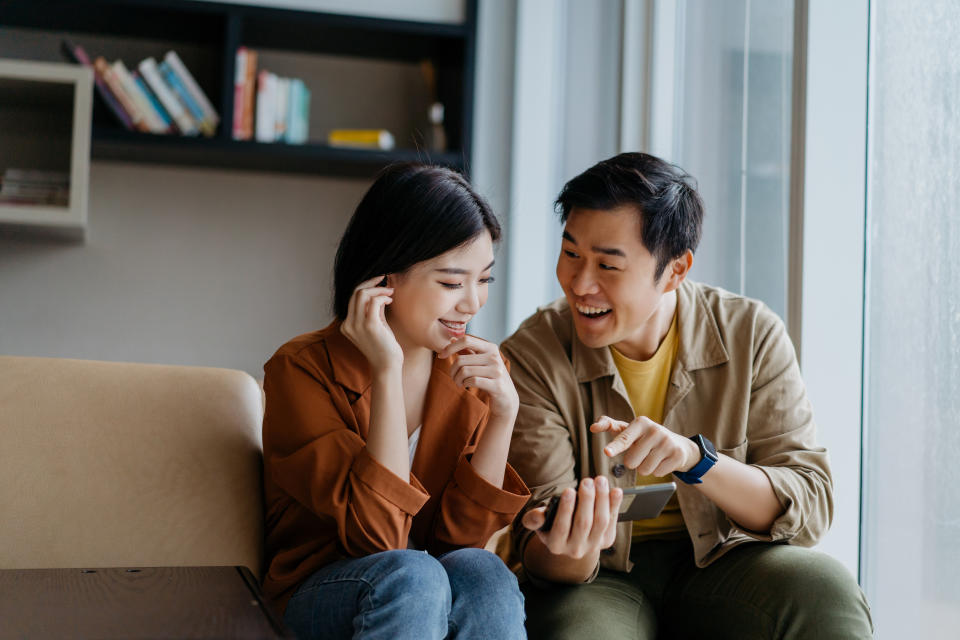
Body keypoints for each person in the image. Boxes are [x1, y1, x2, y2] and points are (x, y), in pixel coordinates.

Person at [502, 152, 873, 639]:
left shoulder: (751, 334)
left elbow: (808, 501)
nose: (579, 283)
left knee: (825, 590)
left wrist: (697, 461)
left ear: (675, 270)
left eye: (608, 265)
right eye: (571, 254)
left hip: (726, 560)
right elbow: (537, 548)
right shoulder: (532, 353)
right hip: (599, 579)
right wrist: (566, 543)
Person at [261, 163, 530, 640]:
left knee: (485, 573)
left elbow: (461, 547)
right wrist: (386, 371)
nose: (473, 303)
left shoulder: (474, 373)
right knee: (412, 575)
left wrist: (503, 416)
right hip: (319, 592)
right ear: (385, 278)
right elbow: (378, 539)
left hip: (422, 588)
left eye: (484, 279)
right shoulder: (300, 370)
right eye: (451, 283)